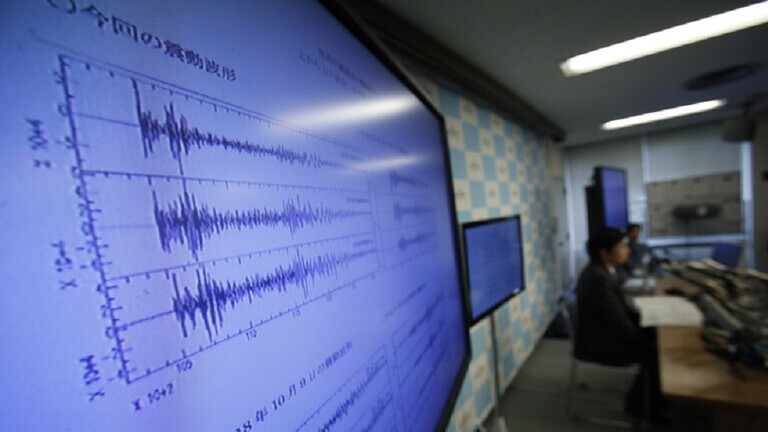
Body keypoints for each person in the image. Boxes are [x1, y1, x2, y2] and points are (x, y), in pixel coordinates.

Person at [574, 228, 663, 421]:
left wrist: (649, 324)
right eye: (621, 247)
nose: (627, 251)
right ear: (604, 253)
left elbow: (621, 313)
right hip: (599, 344)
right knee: (656, 352)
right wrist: (645, 338)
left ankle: (651, 399)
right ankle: (639, 406)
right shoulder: (598, 278)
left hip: (606, 334)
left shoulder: (603, 271)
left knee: (655, 340)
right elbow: (617, 322)